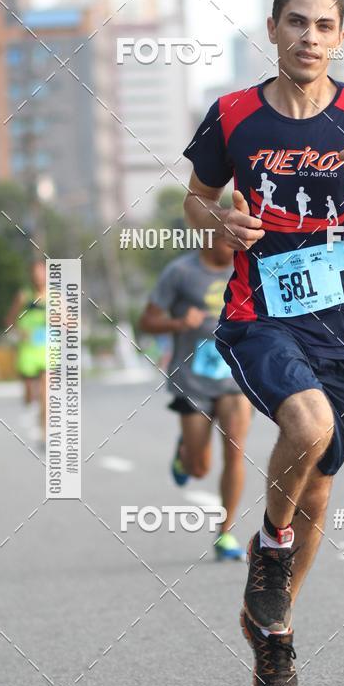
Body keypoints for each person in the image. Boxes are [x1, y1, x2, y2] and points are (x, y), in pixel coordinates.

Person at [182, 0, 344, 686]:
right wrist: (221, 223)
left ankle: (276, 633)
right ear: (273, 29)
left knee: (317, 489)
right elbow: (194, 200)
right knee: (306, 423)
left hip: (341, 326)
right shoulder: (231, 116)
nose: (308, 37)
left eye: (323, 26)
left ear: (340, 37)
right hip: (260, 313)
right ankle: (270, 551)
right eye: (296, 22)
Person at [139, 234, 253, 561]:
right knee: (199, 468)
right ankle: (185, 453)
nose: (236, 244)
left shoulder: (248, 268)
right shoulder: (180, 272)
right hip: (192, 380)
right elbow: (146, 321)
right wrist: (178, 322)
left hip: (235, 378)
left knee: (235, 450)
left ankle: (225, 533)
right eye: (229, 236)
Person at [6, 260, 47, 442]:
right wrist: (21, 332)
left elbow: (69, 320)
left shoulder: (54, 297)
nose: (38, 276)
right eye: (35, 273)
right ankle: (31, 403)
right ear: (31, 276)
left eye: (41, 272)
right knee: (30, 391)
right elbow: (9, 321)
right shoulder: (23, 296)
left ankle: (45, 432)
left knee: (46, 392)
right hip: (28, 349)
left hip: (47, 348)